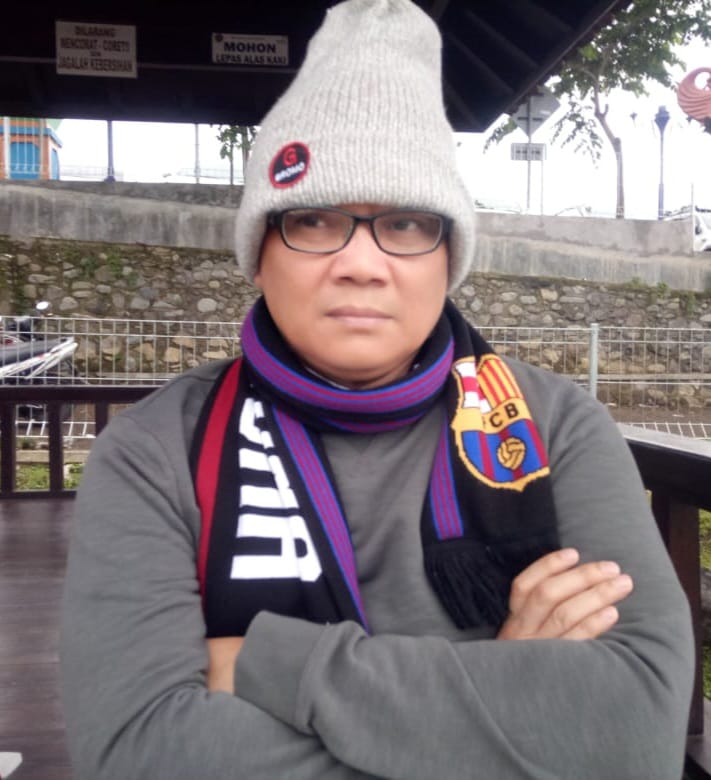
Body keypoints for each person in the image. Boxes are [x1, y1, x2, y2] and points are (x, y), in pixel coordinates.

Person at [59, 1, 694, 778]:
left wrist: (271, 663)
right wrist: (509, 705)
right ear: (258, 253)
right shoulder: (154, 452)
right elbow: (136, 752)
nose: (361, 264)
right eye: (313, 220)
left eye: (405, 224)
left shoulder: (557, 427)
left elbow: (634, 731)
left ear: (448, 257)